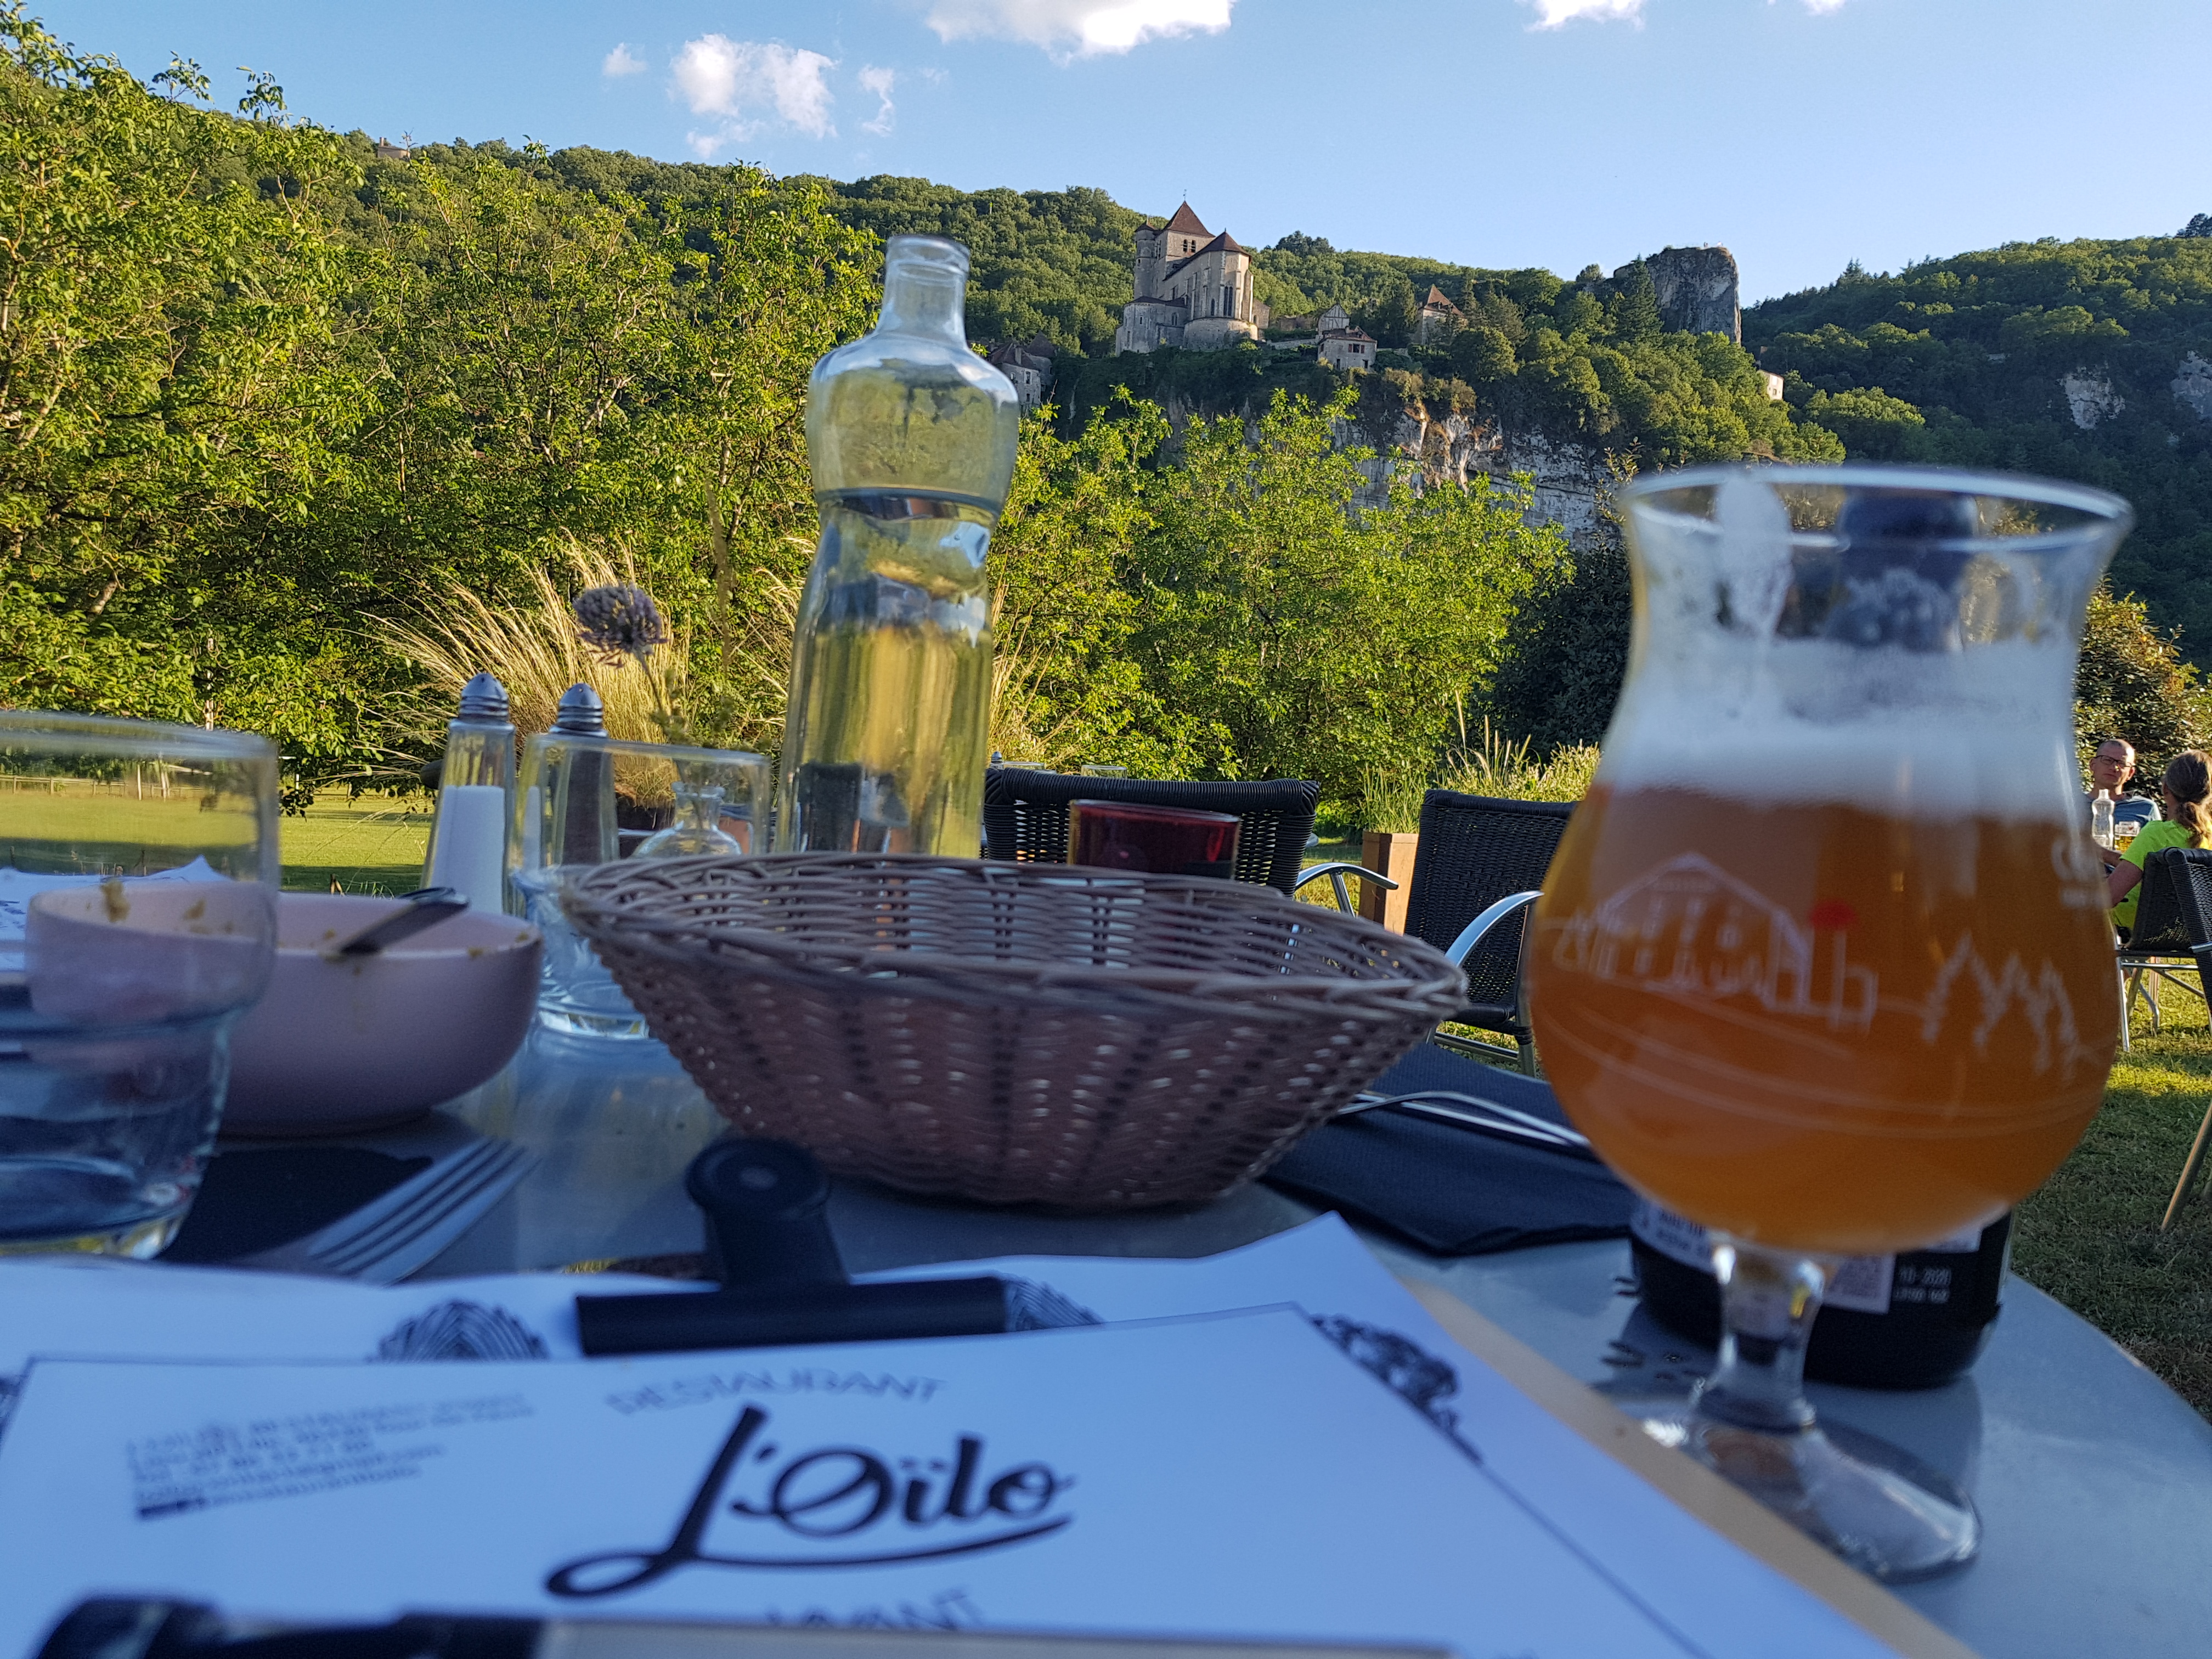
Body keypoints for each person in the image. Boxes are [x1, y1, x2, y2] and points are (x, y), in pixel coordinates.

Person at [2106, 749, 2211, 936]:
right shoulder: (2208, 835)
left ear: (2165, 789)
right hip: (2196, 937)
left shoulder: (2156, 834)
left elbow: (2109, 897)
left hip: (2135, 932)